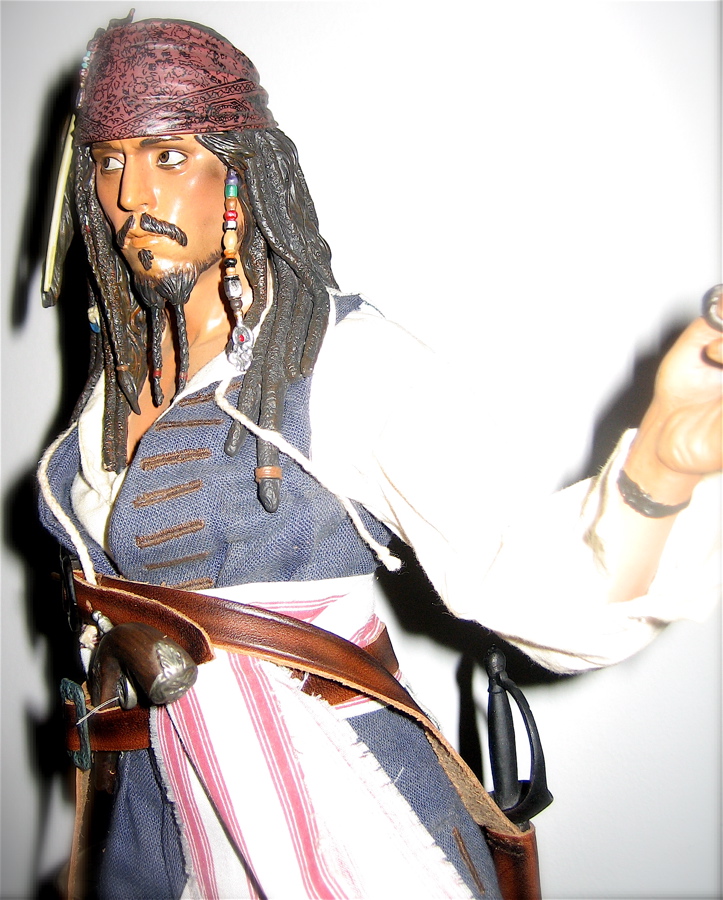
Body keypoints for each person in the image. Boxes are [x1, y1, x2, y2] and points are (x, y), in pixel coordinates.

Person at [37, 14, 721, 900]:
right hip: (153, 821)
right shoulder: (117, 380)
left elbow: (528, 588)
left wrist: (656, 476)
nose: (132, 194)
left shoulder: (342, 364)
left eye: (168, 155)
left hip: (324, 821)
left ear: (240, 170)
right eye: (107, 161)